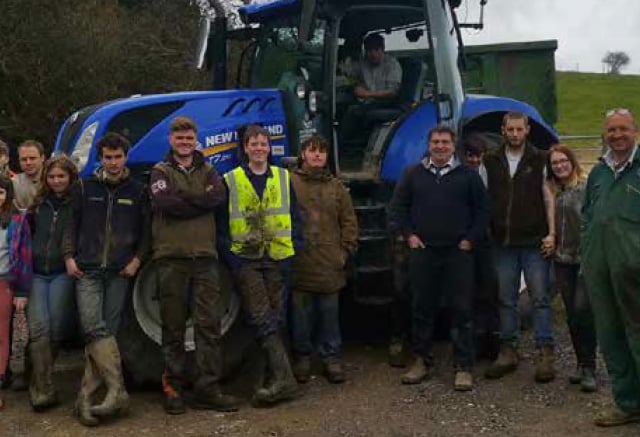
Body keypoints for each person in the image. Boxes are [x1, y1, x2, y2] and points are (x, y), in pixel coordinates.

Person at [149, 116, 239, 415]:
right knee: (173, 327)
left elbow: (217, 198)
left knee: (208, 326)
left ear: (195, 140)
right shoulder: (160, 171)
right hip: (171, 258)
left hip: (204, 258)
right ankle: (173, 387)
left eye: (189, 138)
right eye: (179, 138)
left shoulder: (209, 169)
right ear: (171, 140)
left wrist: (187, 199)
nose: (184, 143)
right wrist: (198, 199)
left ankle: (208, 388)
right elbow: (165, 203)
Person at [389, 125, 490, 391]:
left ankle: (464, 366)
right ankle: (421, 360)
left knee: (461, 310)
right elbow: (398, 208)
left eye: (445, 142)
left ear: (453, 145)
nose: (440, 146)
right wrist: (409, 235)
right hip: (424, 252)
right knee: (421, 307)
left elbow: (483, 211)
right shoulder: (413, 174)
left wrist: (470, 239)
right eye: (435, 141)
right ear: (429, 144)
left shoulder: (468, 176)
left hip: (458, 253)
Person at [63, 132, 149, 426]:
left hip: (118, 271)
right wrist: (69, 256)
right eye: (108, 157)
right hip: (86, 269)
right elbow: (70, 224)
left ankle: (84, 400)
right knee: (93, 328)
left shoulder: (138, 190)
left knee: (104, 334)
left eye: (118, 157)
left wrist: (137, 260)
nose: (113, 163)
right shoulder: (85, 187)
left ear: (126, 157)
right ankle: (117, 390)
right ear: (100, 159)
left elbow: (146, 232)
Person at [218, 124, 302, 406]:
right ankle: (285, 380)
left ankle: (264, 381)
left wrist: (294, 250)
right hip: (248, 260)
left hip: (279, 258)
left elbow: (295, 217)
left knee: (275, 319)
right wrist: (232, 257)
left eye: (263, 143)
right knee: (261, 317)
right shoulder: (230, 179)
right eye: (252, 143)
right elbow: (221, 226)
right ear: (245, 148)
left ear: (269, 147)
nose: (258, 148)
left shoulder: (282, 177)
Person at [483, 112, 557, 383]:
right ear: (503, 130)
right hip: (502, 243)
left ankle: (544, 352)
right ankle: (508, 351)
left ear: (527, 130)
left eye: (519, 129)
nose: (514, 134)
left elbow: (549, 198)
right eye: (510, 129)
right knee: (506, 299)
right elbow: (483, 199)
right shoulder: (489, 160)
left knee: (540, 298)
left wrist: (551, 233)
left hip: (533, 242)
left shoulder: (540, 159)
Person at [582, 108, 640, 427]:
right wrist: (587, 254)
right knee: (611, 336)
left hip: (635, 270)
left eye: (623, 129)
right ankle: (627, 403)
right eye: (611, 130)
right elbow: (588, 215)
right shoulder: (599, 172)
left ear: (636, 131)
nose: (617, 135)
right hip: (600, 269)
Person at [289, 135, 358, 384]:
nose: (317, 155)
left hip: (330, 264)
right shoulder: (290, 183)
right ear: (303, 154)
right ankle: (303, 359)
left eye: (322, 152)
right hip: (300, 263)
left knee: (329, 316)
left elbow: (349, 222)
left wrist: (344, 252)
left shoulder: (336, 188)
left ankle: (331, 359)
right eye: (312, 150)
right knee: (301, 317)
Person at [27, 155, 79, 411]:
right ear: (46, 179)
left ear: (70, 177)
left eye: (61, 176)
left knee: (57, 328)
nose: (56, 181)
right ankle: (42, 388)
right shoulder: (38, 205)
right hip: (36, 273)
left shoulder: (76, 205)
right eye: (52, 176)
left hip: (61, 272)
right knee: (39, 329)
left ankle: (41, 377)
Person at [546, 144, 597, 393]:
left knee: (583, 309)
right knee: (572, 314)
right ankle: (580, 363)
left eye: (563, 161)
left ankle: (590, 367)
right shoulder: (553, 191)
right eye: (554, 163)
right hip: (562, 260)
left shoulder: (585, 187)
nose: (559, 166)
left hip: (585, 259)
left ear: (572, 161)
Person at [462, 134, 500, 361]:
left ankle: (493, 339)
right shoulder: (459, 176)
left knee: (491, 288)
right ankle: (475, 340)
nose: (475, 160)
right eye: (471, 156)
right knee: (470, 291)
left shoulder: (490, 175)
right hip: (467, 240)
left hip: (487, 238)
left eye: (479, 156)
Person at [0, 175, 33, 410]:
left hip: (4, 282)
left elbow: (24, 257)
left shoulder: (17, 220)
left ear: (7, 194)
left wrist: (22, 290)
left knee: (2, 336)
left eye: (0, 192)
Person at [341, 33, 403, 142]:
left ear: (382, 49)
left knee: (353, 112)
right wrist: (355, 85)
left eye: (376, 50)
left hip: (388, 102)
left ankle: (340, 147)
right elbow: (349, 73)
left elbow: (392, 93)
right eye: (369, 51)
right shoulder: (363, 63)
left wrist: (366, 94)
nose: (373, 54)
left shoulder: (392, 64)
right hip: (368, 101)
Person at [14, 140, 45, 210]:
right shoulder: (14, 184)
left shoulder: (55, 179)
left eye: (32, 158)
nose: (28, 163)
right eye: (24, 159)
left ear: (42, 158)